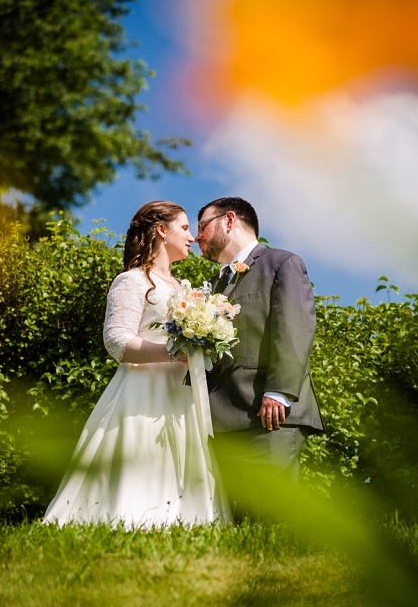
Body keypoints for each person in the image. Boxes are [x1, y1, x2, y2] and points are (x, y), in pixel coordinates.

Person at [43, 201, 230, 528]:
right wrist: (173, 353)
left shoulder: (182, 289)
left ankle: (188, 523)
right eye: (185, 228)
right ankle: (128, 518)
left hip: (184, 393)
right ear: (161, 229)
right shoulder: (132, 280)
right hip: (143, 391)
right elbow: (116, 340)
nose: (192, 237)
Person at [195, 197, 324, 514]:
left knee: (268, 517)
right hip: (220, 421)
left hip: (268, 417)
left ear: (228, 220)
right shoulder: (212, 284)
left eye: (201, 227)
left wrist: (278, 392)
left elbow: (294, 327)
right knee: (234, 525)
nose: (196, 237)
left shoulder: (282, 263)